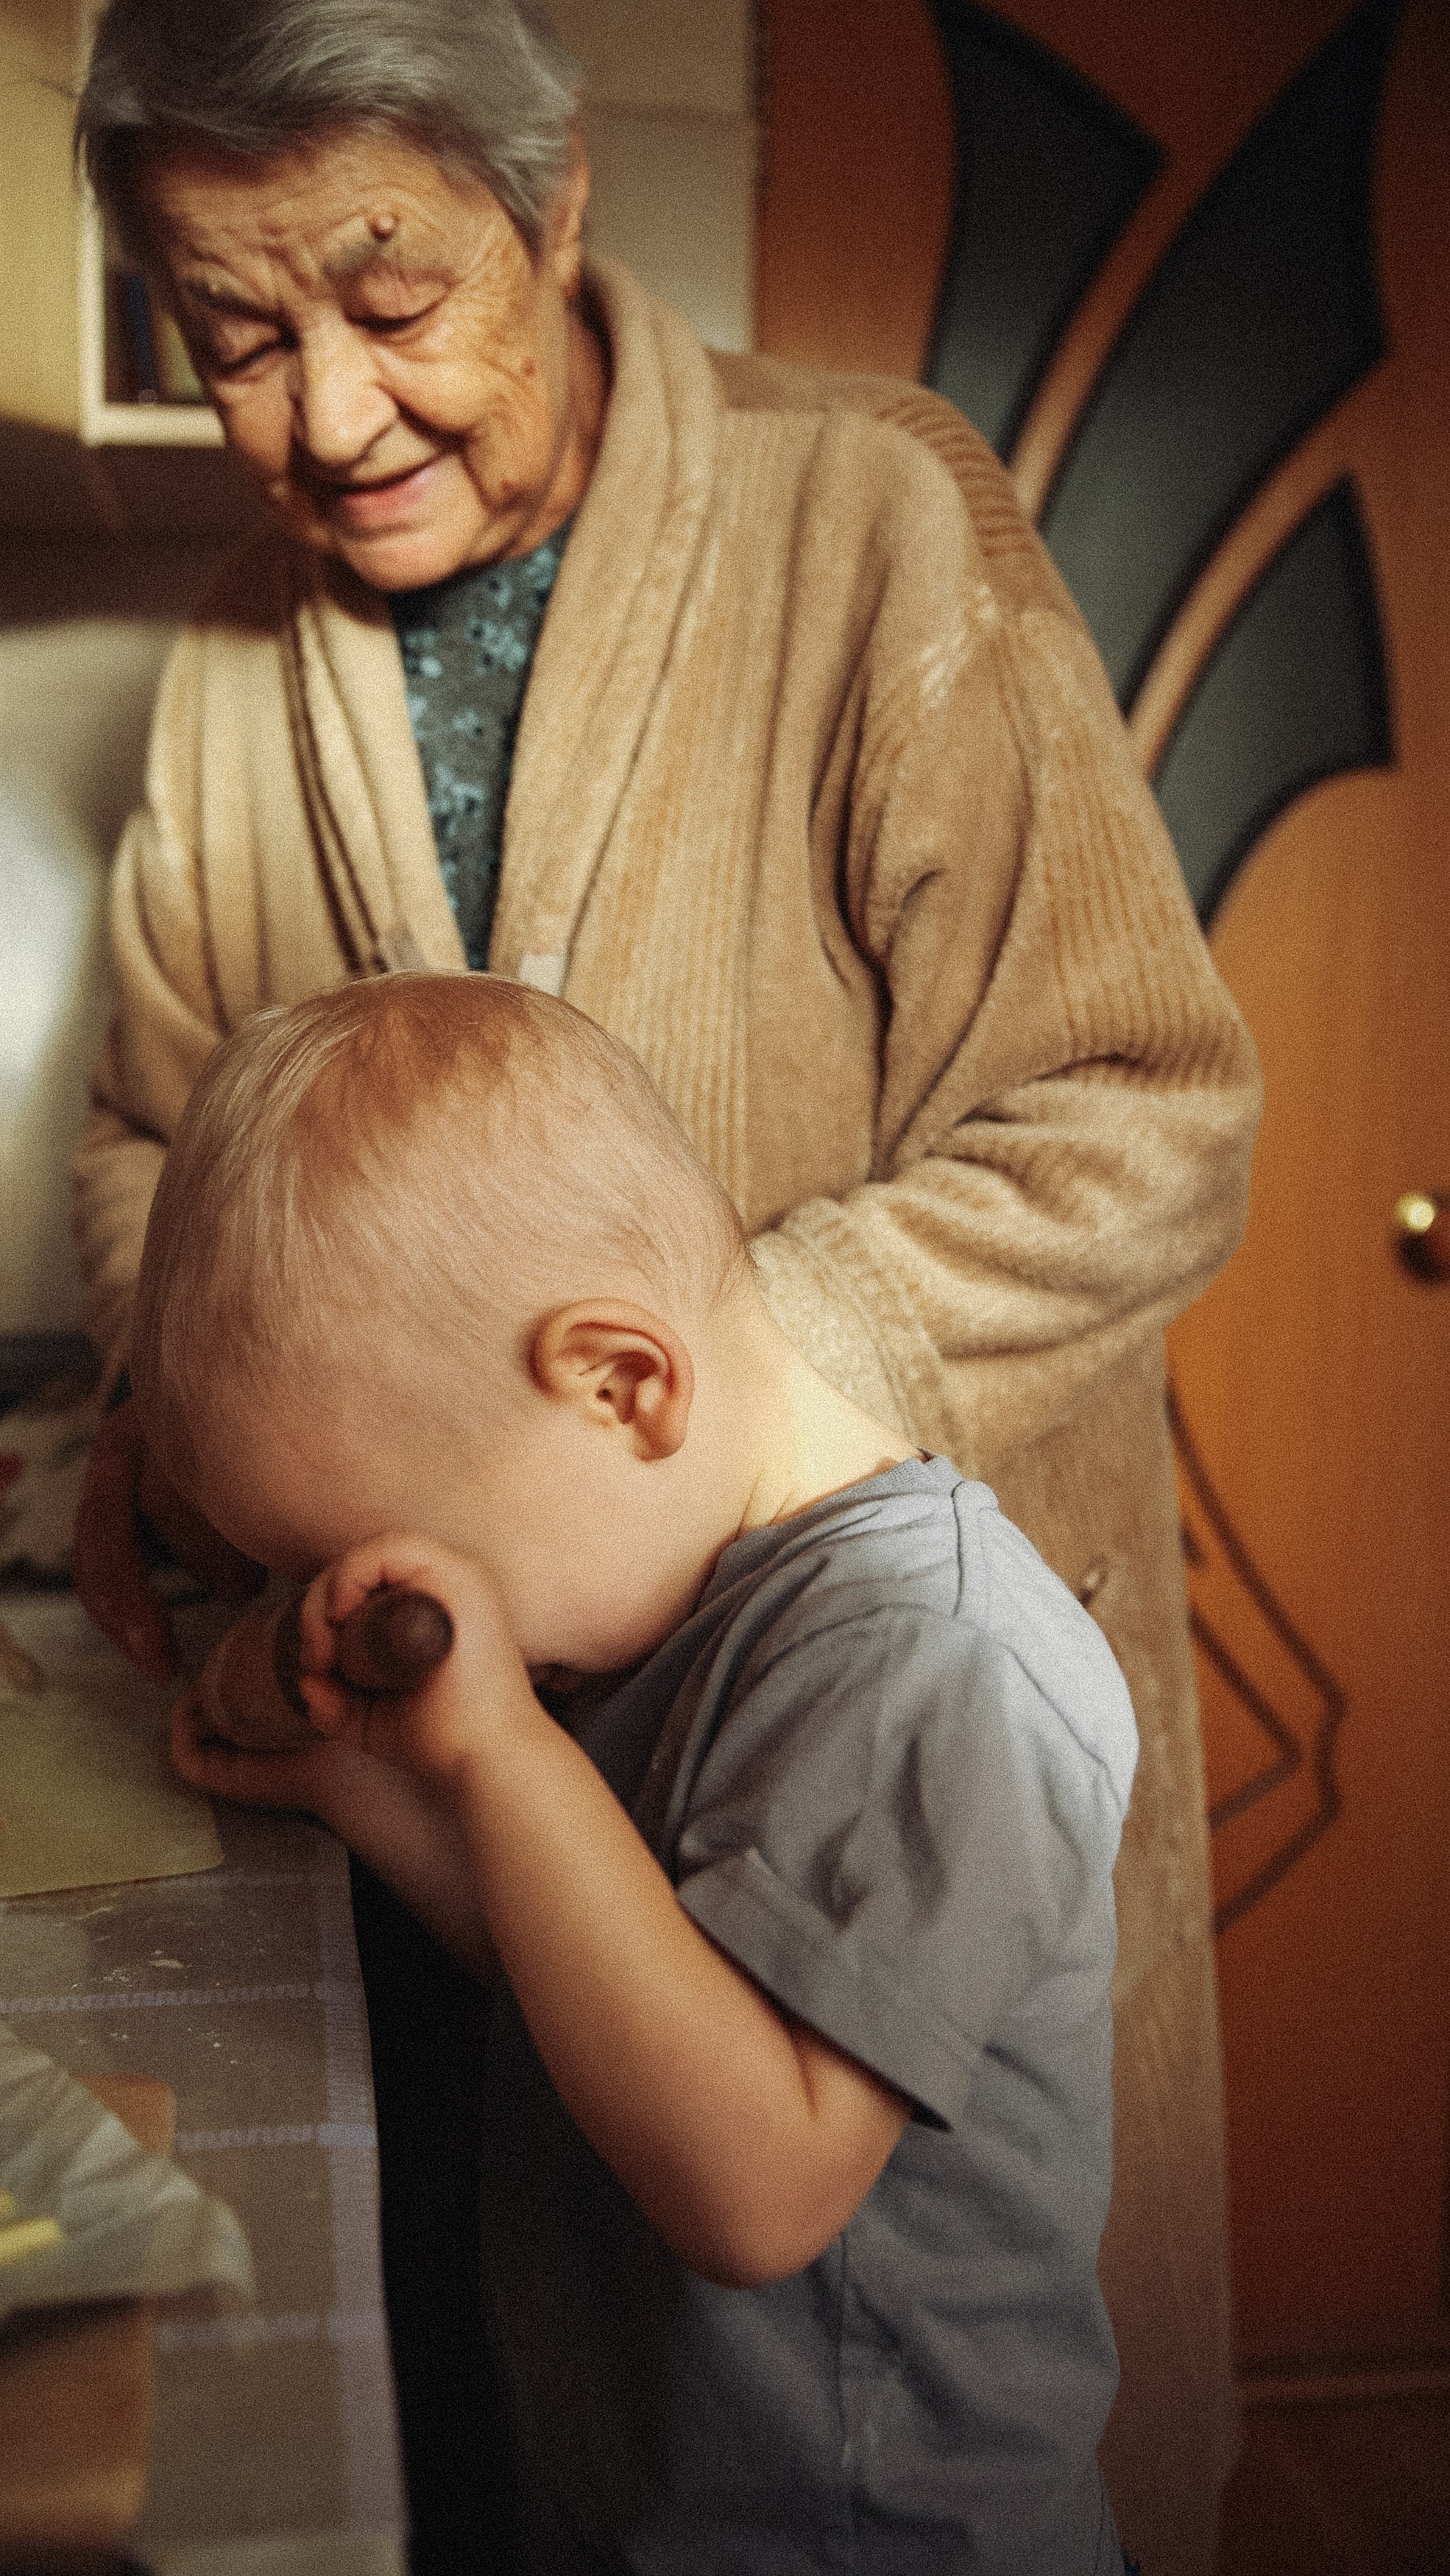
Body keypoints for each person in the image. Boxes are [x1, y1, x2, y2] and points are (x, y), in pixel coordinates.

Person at [68, 5, 1262, 2567]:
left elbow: (1142, 1107)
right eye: (233, 338)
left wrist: (708, 1407)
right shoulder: (217, 671)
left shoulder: (877, 524)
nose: (332, 414)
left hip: (848, 1737)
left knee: (892, 2383)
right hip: (500, 1777)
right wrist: (201, 1464)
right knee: (568, 2414)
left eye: (391, 301)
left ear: (559, 208)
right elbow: (146, 1152)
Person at [132, 972, 1144, 2575]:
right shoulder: (660, 1593)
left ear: (622, 1386)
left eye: (373, 1563)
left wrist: (502, 1753)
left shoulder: (935, 1668)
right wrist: (363, 1788)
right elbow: (589, 1966)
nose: (365, 1612)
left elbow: (757, 2184)